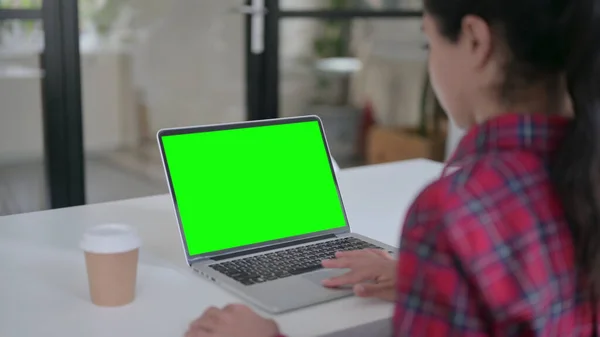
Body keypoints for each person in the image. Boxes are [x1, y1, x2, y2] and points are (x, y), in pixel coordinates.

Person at [185, 0, 600, 335]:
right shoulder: (580, 169)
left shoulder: (454, 212)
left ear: (475, 40)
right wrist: (432, 281)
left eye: (430, 45)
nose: (431, 63)